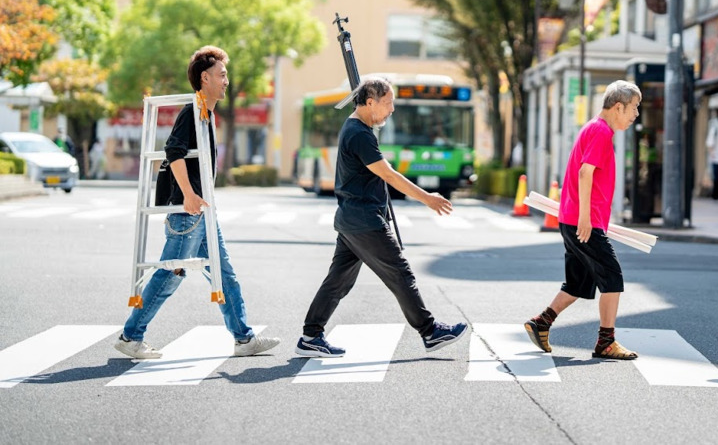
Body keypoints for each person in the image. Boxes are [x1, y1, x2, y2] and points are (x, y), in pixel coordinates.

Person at [114, 46, 280, 360]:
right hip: (188, 210)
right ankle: (130, 336)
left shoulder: (205, 111)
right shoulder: (192, 111)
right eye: (222, 74)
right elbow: (173, 152)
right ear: (205, 78)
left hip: (202, 212)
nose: (227, 80)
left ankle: (244, 339)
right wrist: (189, 195)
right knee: (170, 272)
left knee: (224, 273)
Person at [296, 76, 468, 357]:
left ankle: (310, 336)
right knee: (400, 274)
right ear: (370, 102)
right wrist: (428, 199)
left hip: (352, 218)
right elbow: (388, 174)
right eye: (388, 104)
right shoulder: (359, 134)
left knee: (338, 281)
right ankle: (430, 331)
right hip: (364, 220)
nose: (392, 110)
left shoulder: (357, 128)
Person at [523, 80, 642, 360]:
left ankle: (542, 322)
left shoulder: (594, 128)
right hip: (582, 222)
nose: (636, 115)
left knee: (578, 283)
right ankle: (606, 342)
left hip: (576, 220)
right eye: (634, 108)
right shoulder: (601, 132)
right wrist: (587, 219)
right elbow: (585, 173)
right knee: (612, 278)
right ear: (618, 106)